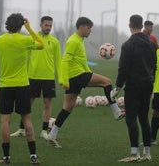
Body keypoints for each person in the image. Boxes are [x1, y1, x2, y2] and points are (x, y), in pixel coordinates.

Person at [46, 16, 125, 148]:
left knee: (67, 107)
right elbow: (65, 61)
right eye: (89, 28)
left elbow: (81, 61)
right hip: (77, 76)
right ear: (82, 27)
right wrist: (63, 80)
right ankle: (117, 112)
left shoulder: (79, 40)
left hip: (76, 76)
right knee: (107, 82)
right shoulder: (73, 41)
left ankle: (52, 134)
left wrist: (85, 72)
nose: (90, 31)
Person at [0, 13, 43, 164]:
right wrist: (30, 28)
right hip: (23, 86)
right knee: (27, 119)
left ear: (7, 24)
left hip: (6, 86)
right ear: (21, 25)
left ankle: (6, 157)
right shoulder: (26, 40)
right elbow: (41, 44)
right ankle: (33, 157)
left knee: (5, 121)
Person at [111, 14, 157, 163]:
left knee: (131, 118)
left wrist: (117, 88)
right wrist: (152, 84)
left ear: (130, 24)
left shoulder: (128, 45)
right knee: (144, 118)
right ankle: (147, 153)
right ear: (142, 25)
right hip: (148, 85)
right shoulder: (151, 44)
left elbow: (123, 69)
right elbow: (154, 66)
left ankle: (134, 153)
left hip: (134, 86)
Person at [10, 16, 62, 141]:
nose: (48, 28)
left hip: (48, 77)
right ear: (40, 25)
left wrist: (61, 79)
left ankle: (44, 131)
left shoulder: (54, 42)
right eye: (46, 25)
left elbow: (58, 61)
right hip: (33, 76)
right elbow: (24, 57)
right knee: (27, 104)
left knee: (47, 104)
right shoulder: (32, 39)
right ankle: (21, 129)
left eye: (50, 25)